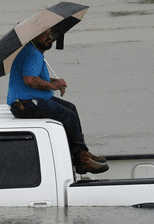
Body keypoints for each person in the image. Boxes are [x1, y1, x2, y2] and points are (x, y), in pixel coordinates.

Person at [7, 29, 108, 175]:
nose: (50, 37)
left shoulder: (32, 51)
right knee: (68, 116)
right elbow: (29, 80)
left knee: (71, 108)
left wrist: (55, 82)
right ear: (33, 36)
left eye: (51, 33)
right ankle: (82, 160)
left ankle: (82, 153)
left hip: (30, 100)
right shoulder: (33, 54)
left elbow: (36, 78)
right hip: (26, 105)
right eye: (44, 34)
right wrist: (53, 85)